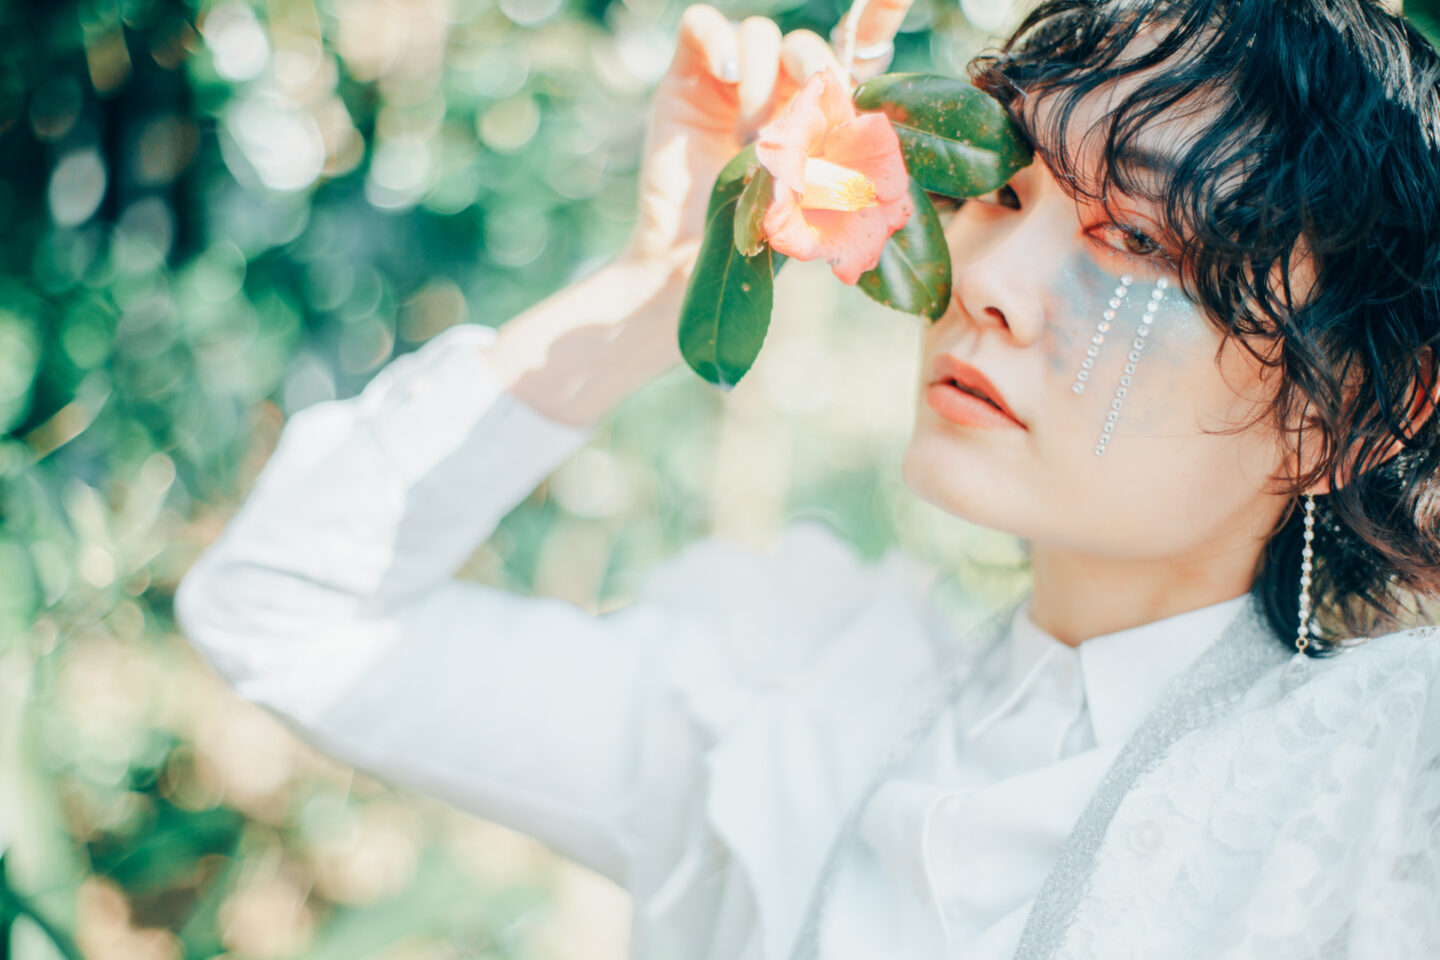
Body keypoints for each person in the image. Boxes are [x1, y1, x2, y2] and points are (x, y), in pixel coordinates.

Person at [174, 0, 1440, 957]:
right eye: (999, 194)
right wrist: (660, 285)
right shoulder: (786, 702)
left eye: (1139, 239)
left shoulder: (1380, 781)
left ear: (1349, 414)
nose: (986, 281)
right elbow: (282, 613)